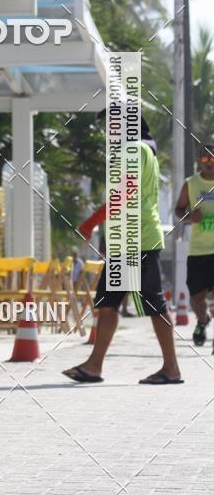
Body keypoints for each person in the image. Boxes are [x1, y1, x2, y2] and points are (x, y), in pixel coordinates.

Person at [63, 113, 183, 385]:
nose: (109, 131)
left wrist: (92, 221)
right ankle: (93, 366)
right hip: (125, 241)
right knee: (108, 303)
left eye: (112, 125)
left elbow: (124, 194)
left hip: (138, 239)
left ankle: (171, 368)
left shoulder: (136, 149)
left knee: (154, 305)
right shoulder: (136, 150)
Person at [174, 143, 214, 348]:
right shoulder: (191, 184)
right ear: (200, 161)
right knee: (196, 298)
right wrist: (190, 217)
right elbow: (178, 211)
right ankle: (202, 321)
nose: (209, 162)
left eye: (212, 158)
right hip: (198, 250)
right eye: (205, 159)